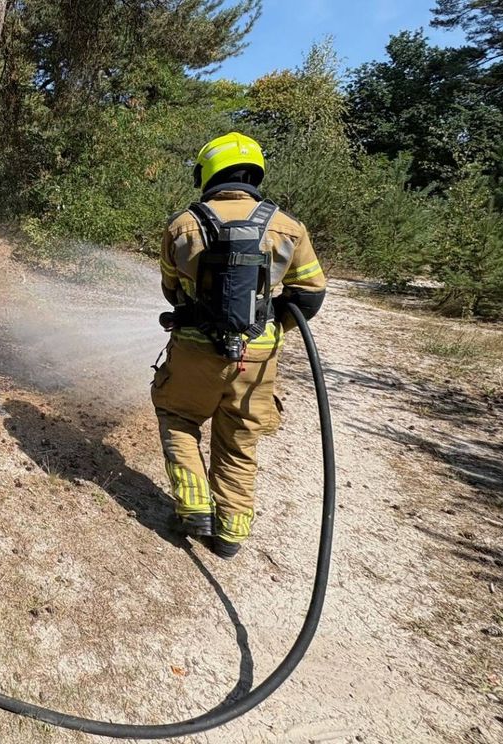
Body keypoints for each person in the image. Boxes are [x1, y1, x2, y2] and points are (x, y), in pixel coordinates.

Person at [152, 132, 326, 559]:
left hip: (194, 349)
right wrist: (268, 325)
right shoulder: (288, 227)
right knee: (239, 440)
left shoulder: (183, 224)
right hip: (257, 358)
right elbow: (311, 293)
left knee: (178, 416)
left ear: (207, 172)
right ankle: (230, 531)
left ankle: (194, 506)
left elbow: (171, 290)